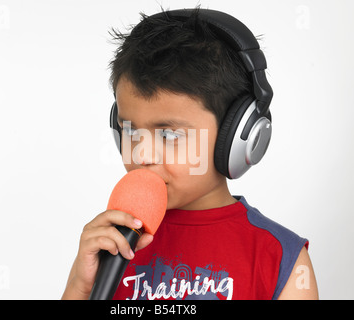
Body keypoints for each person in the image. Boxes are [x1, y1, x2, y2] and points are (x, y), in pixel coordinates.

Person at [62, 8, 318, 300]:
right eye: (131, 131)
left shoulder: (279, 256)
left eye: (169, 134)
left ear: (234, 138)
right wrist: (79, 287)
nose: (142, 154)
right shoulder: (113, 246)